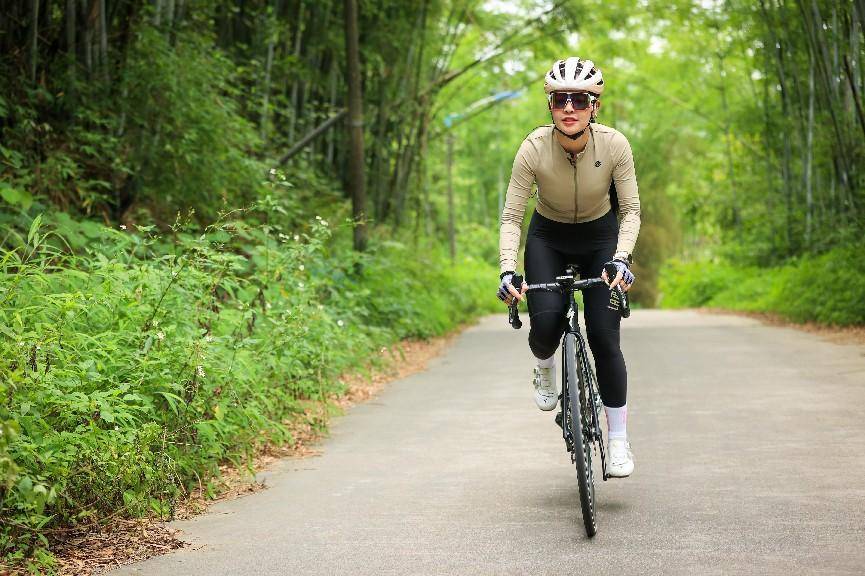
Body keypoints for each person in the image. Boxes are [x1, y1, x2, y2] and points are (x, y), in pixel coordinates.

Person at [496, 57, 640, 478]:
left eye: (581, 99)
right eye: (561, 100)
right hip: (549, 238)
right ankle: (544, 369)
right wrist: (508, 270)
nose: (570, 108)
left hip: (600, 240)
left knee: (604, 338)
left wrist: (622, 257)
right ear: (551, 106)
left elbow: (630, 210)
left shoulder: (615, 145)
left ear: (595, 106)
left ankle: (617, 442)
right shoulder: (533, 148)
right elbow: (511, 218)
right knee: (545, 328)